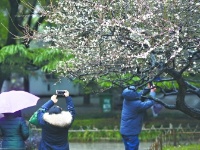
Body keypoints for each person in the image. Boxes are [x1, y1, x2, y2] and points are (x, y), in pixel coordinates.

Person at [120, 84, 156, 150]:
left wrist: (147, 88)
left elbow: (138, 94)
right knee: (133, 147)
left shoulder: (126, 100)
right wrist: (152, 92)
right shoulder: (136, 105)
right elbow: (150, 102)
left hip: (125, 131)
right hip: (131, 133)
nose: (136, 91)